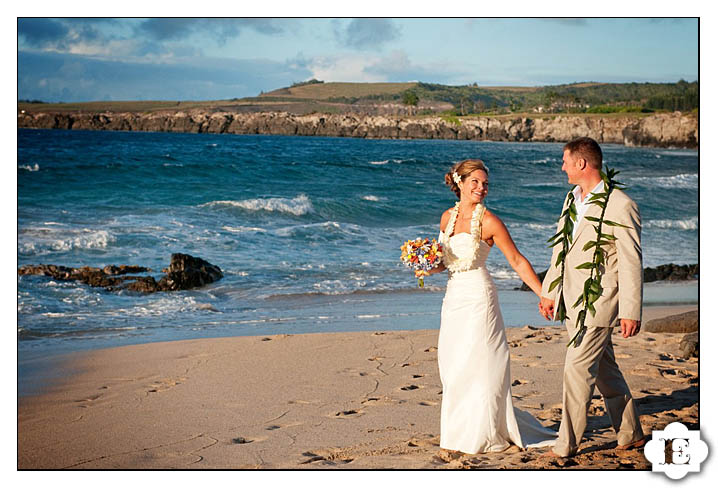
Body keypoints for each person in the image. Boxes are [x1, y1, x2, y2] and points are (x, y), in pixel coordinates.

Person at [418, 158, 557, 455]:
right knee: (454, 365)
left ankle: (485, 432)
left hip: (480, 298)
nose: (481, 188)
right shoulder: (447, 218)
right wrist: (423, 266)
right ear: (460, 183)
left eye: (485, 184)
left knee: (483, 364)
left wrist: (544, 294)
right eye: (475, 183)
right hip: (454, 297)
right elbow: (443, 263)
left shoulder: (490, 221)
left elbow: (517, 260)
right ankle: (459, 432)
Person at [539, 137, 645, 458]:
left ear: (582, 164)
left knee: (577, 370)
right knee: (604, 370)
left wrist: (630, 310)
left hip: (599, 302)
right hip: (571, 301)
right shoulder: (572, 198)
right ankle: (631, 433)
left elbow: (630, 261)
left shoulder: (620, 205)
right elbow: (562, 250)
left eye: (566, 161)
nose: (562, 167)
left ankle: (566, 443)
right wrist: (549, 291)